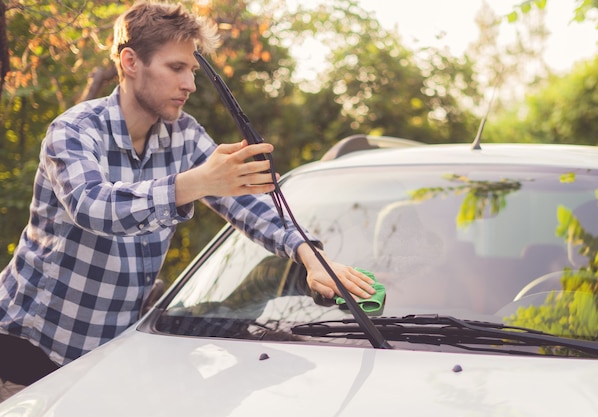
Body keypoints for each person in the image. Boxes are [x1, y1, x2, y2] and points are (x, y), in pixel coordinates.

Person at [0, 1, 375, 401]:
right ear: (130, 62)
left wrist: (307, 253)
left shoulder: (184, 135)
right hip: (25, 355)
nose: (190, 85)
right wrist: (195, 182)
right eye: (176, 68)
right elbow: (94, 207)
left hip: (106, 359)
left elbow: (247, 205)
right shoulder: (74, 130)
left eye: (192, 70)